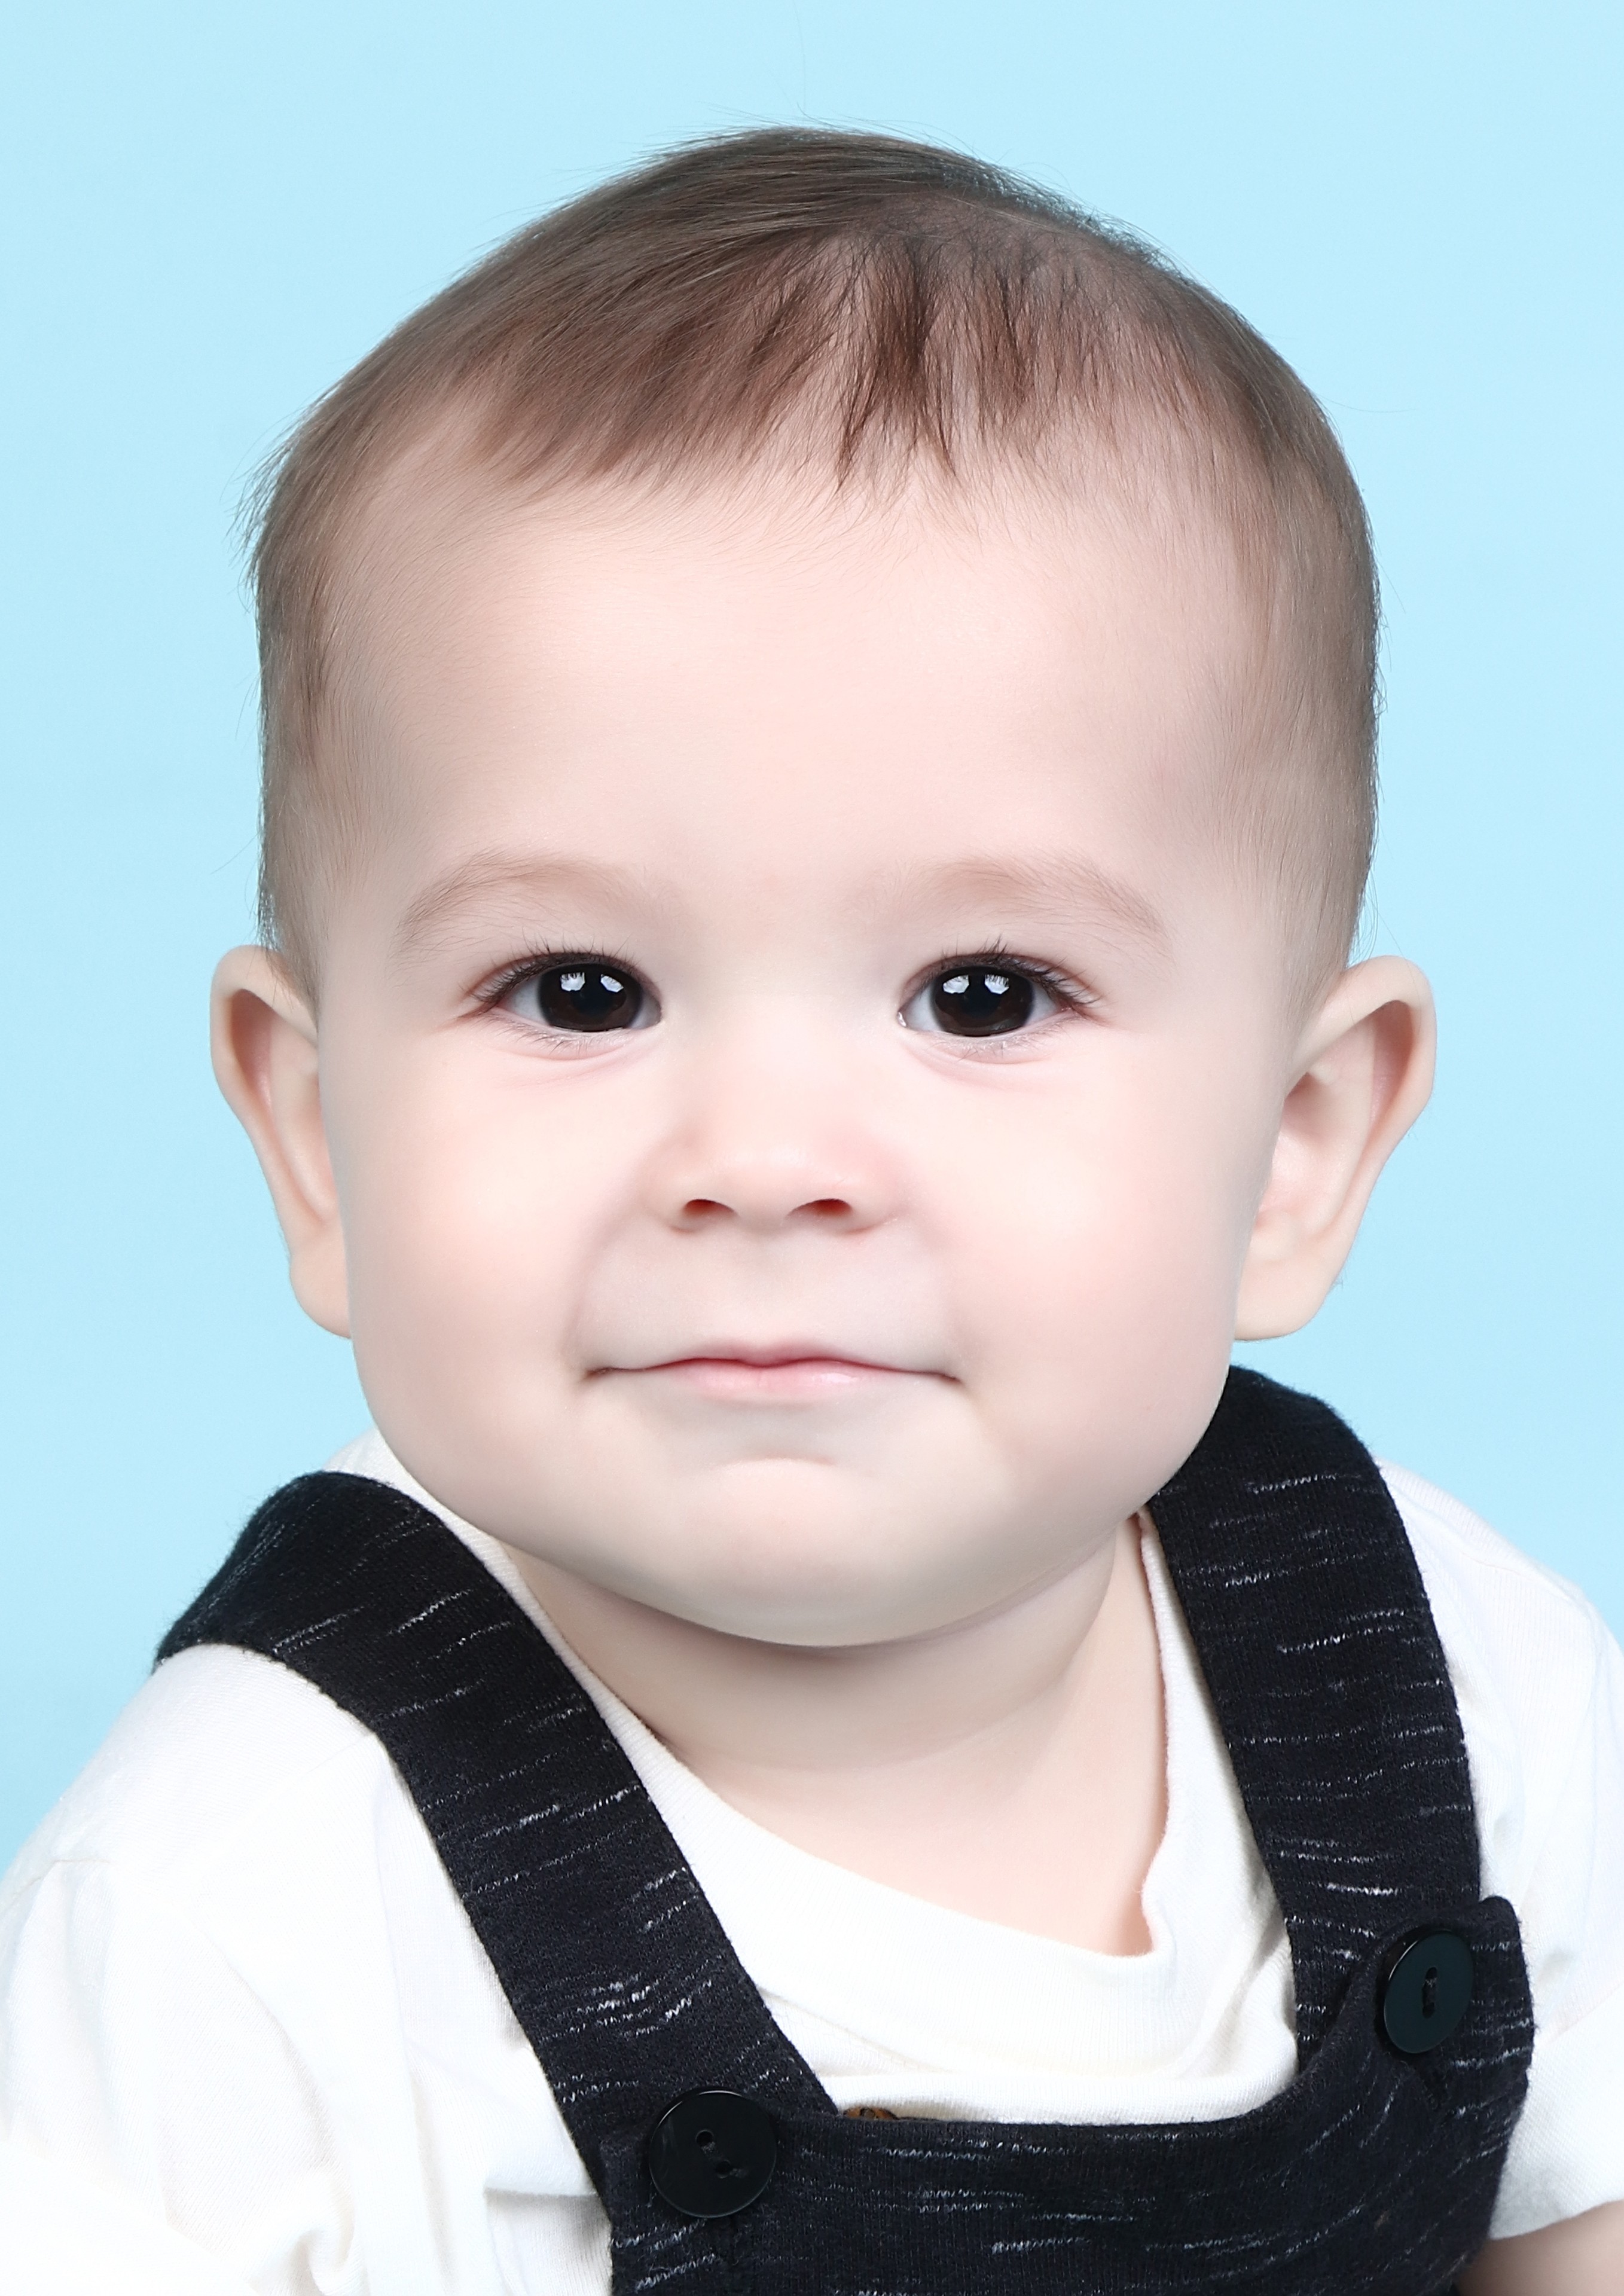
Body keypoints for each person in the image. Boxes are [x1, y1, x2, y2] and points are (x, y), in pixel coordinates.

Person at [1, 128, 1620, 2294]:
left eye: (983, 995)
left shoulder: (1442, 1674)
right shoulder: (238, 1912)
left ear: (1297, 1145)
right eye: (580, 992)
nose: (764, 1159)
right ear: (315, 1136)